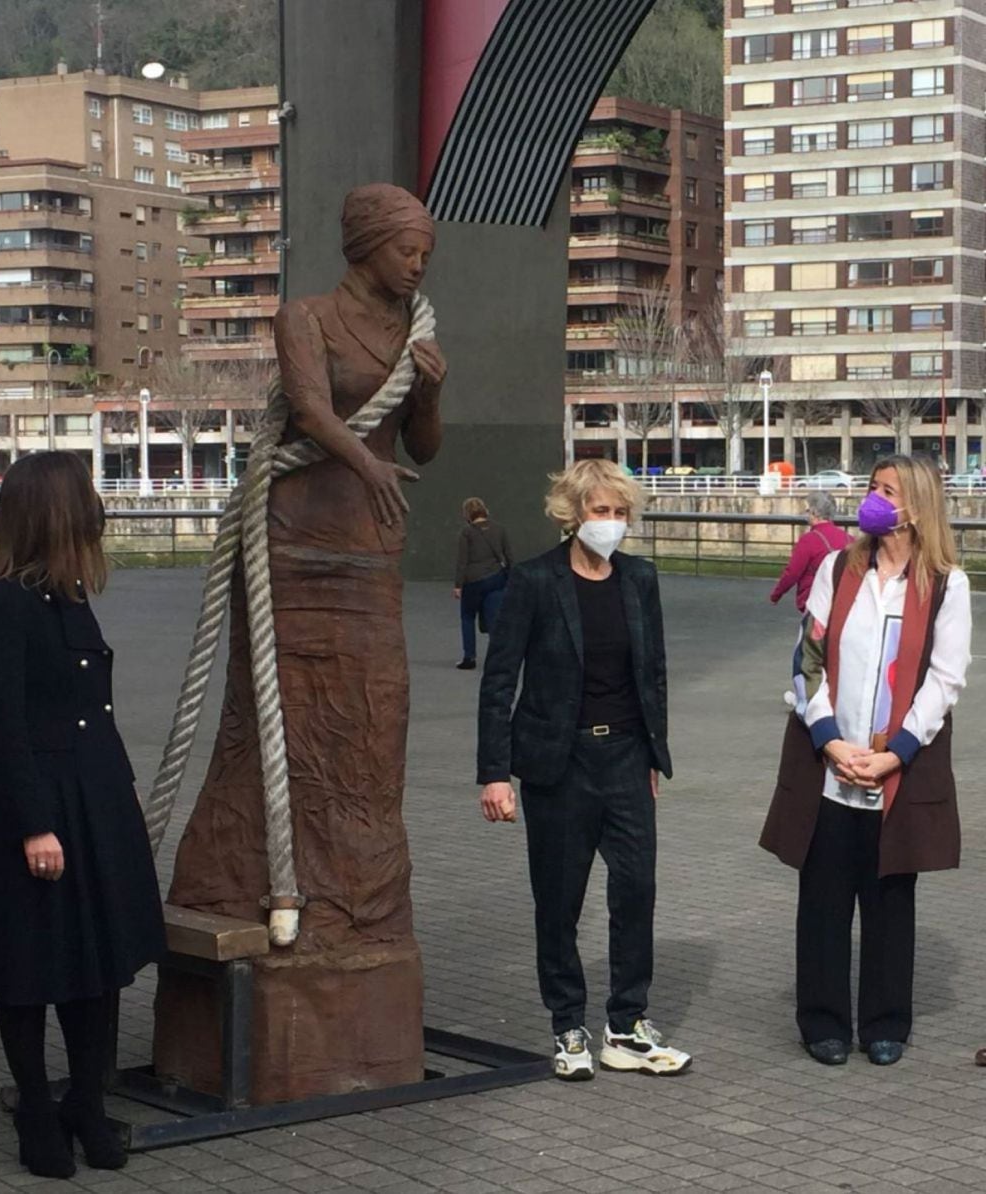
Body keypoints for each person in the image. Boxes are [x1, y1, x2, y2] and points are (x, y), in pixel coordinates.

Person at [159, 184, 447, 1102]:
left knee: (373, 727)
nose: (418, 265)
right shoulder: (308, 317)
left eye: (425, 254)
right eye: (407, 251)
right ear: (367, 246)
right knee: (278, 724)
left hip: (370, 556)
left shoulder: (414, 334)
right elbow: (318, 415)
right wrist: (368, 462)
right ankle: (269, 887)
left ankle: (356, 910)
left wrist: (430, 393)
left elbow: (425, 448)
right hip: (292, 549)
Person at [0, 452, 166, 1178]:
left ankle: (86, 1099)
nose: (96, 511)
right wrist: (34, 824)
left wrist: (127, 785)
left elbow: (95, 711)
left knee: (97, 962)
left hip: (97, 795)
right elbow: (6, 725)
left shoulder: (69, 597)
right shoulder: (3, 604)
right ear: (52, 511)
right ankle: (35, 1110)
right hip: (42, 805)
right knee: (30, 966)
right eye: (83, 499)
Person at [477, 458, 691, 1081]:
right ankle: (568, 1024)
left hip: (627, 757)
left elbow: (653, 673)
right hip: (559, 764)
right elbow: (499, 682)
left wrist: (655, 755)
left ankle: (626, 1025)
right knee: (559, 900)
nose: (613, 524)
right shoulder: (535, 581)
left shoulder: (639, 579)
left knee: (636, 890)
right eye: (602, 511)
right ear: (573, 515)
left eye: (621, 513)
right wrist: (495, 773)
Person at [760, 455, 971, 1067]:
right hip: (830, 764)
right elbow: (807, 658)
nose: (872, 500)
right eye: (872, 488)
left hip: (896, 770)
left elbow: (944, 680)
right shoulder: (838, 568)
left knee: (888, 900)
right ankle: (822, 1019)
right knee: (822, 897)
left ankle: (884, 1022)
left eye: (886, 491)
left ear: (917, 505)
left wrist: (893, 753)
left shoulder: (946, 585)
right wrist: (828, 739)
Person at [453, 496, 512, 669]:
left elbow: (462, 561)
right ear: (485, 510)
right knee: (495, 620)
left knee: (467, 617)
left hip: (473, 581)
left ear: (467, 514)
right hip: (496, 578)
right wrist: (512, 578)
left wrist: (458, 585)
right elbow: (509, 556)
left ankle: (469, 658)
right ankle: (498, 659)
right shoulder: (500, 529)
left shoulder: (467, 532)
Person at [770, 492, 852, 613]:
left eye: (807, 510)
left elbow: (792, 573)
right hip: (843, 604)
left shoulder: (808, 540)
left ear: (814, 513)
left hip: (816, 604)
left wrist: (776, 595)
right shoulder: (850, 539)